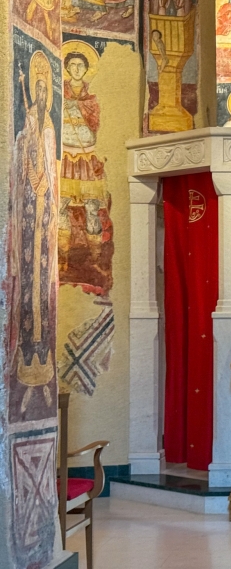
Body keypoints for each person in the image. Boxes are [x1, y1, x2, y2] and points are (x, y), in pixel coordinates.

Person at [11, 52, 58, 392]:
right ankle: (27, 347)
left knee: (43, 271)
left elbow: (51, 165)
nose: (39, 95)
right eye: (36, 89)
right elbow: (24, 152)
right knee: (28, 273)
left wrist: (47, 188)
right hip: (29, 206)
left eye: (44, 91)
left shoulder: (50, 126)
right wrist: (31, 177)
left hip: (44, 208)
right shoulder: (29, 119)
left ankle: (42, 347)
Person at [61, 48, 108, 270]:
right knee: (61, 206)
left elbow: (96, 124)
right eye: (73, 65)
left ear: (87, 69)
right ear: (67, 68)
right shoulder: (59, 95)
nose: (77, 69)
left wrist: (78, 106)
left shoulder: (92, 99)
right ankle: (62, 257)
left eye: (81, 65)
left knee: (91, 207)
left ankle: (96, 259)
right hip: (65, 157)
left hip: (87, 157)